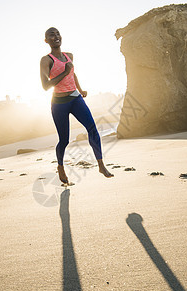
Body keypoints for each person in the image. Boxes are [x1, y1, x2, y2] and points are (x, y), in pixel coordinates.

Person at [40, 27, 114, 184]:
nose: (55, 37)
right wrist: (64, 73)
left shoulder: (69, 56)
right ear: (46, 41)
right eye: (51, 35)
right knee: (64, 140)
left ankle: (101, 165)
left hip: (75, 98)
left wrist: (80, 89)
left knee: (93, 129)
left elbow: (72, 73)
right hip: (59, 104)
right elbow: (46, 86)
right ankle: (60, 166)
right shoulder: (46, 60)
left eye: (57, 33)